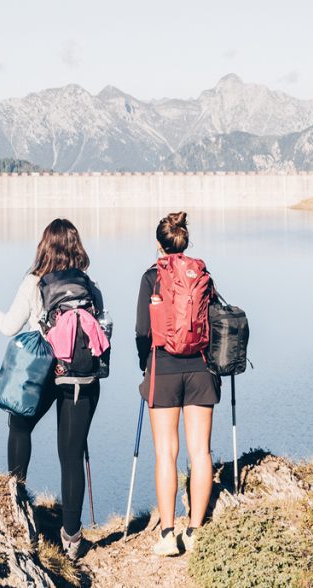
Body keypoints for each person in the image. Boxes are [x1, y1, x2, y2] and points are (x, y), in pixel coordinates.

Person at [0, 218, 106, 560]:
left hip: (43, 370)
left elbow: (9, 326)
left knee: (19, 426)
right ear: (77, 247)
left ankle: (16, 505)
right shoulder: (90, 286)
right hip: (81, 377)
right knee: (71, 454)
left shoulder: (34, 282)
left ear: (44, 246)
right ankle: (73, 539)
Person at [135, 211, 219, 556]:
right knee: (200, 452)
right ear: (185, 242)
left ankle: (168, 534)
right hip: (201, 369)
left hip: (163, 368)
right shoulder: (202, 274)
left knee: (166, 453)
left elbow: (143, 331)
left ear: (159, 245)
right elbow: (216, 322)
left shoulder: (151, 277)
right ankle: (195, 531)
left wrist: (145, 364)